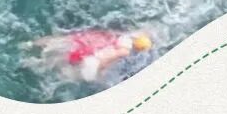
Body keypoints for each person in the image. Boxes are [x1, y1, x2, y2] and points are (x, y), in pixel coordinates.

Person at [23, 28, 155, 85]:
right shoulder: (124, 51)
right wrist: (100, 73)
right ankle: (29, 64)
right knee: (58, 68)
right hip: (85, 56)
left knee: (55, 42)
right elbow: (105, 60)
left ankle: (29, 44)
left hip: (81, 41)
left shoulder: (118, 36)